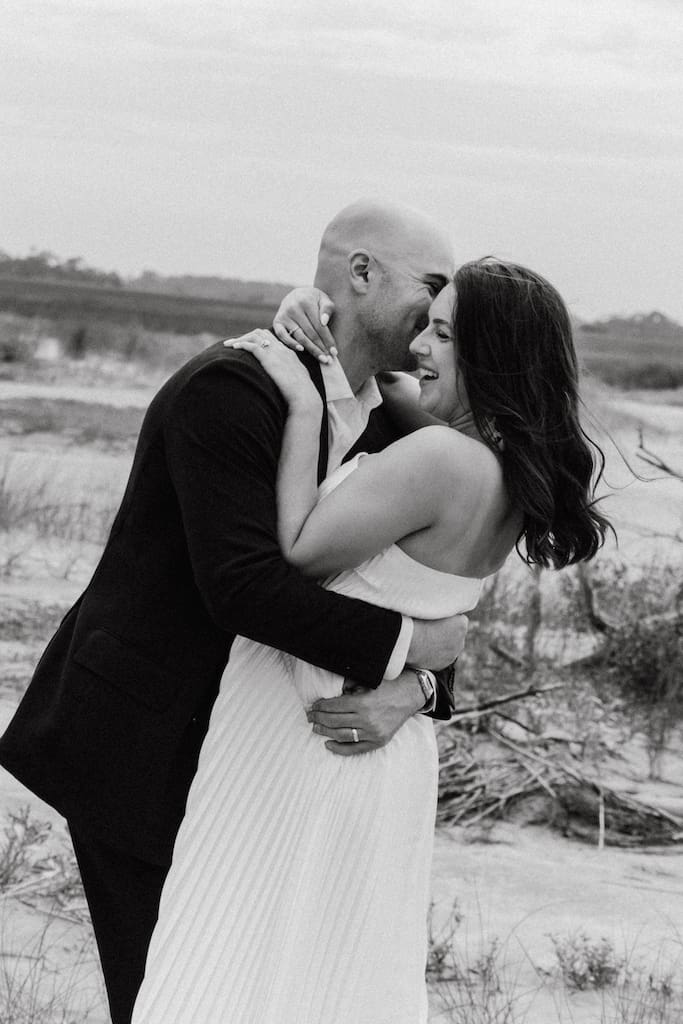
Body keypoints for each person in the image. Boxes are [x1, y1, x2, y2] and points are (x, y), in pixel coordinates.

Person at [0, 200, 469, 1024]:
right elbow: (244, 589)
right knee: (166, 995)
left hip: (255, 759)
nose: (435, 316)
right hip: (143, 742)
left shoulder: (401, 425)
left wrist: (422, 684)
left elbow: (411, 584)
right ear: (360, 274)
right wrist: (412, 644)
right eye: (428, 288)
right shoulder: (234, 388)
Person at [130, 258, 611, 1023]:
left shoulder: (436, 459)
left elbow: (298, 550)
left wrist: (299, 403)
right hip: (378, 752)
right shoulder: (505, 473)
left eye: (444, 334)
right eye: (424, 323)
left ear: (490, 356)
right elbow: (386, 387)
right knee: (331, 973)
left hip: (309, 741)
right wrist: (311, 312)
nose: (420, 345)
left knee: (246, 962)